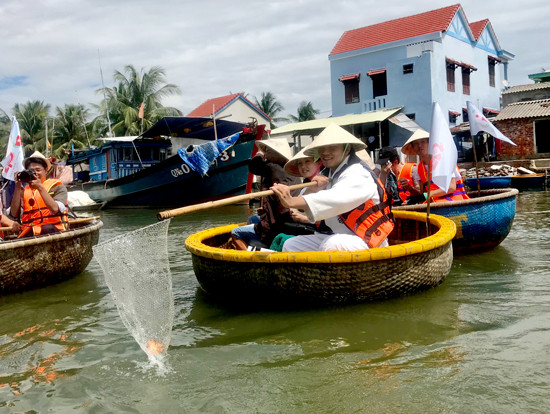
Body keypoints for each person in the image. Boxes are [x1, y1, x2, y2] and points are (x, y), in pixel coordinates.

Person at [271, 123, 394, 252]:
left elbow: (337, 198)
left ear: (346, 149)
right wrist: (311, 189)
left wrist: (291, 201)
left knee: (333, 244)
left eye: (332, 147)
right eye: (322, 148)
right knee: (291, 244)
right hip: (338, 236)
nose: (325, 152)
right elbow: (300, 210)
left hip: (367, 240)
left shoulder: (358, 172)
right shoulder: (327, 174)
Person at [230, 138, 300, 250]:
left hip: (277, 224)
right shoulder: (291, 170)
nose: (266, 154)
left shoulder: (273, 167)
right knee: (253, 218)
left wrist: (260, 152)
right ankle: (259, 245)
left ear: (277, 154)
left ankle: (251, 259)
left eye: (268, 151)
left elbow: (254, 166)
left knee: (235, 232)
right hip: (285, 217)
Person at [9, 151, 69, 238]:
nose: (35, 174)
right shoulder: (24, 190)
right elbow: (14, 214)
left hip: (53, 230)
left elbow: (55, 209)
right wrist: (17, 187)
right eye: (31, 171)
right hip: (30, 232)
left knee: (46, 229)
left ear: (46, 170)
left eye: (38, 170)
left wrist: (40, 187)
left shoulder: (57, 187)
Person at [401, 129, 469, 202]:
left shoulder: (443, 161)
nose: (419, 145)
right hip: (434, 204)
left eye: (423, 142)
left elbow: (451, 187)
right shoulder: (420, 168)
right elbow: (422, 194)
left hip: (453, 203)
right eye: (415, 144)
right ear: (413, 147)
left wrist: (426, 195)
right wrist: (409, 188)